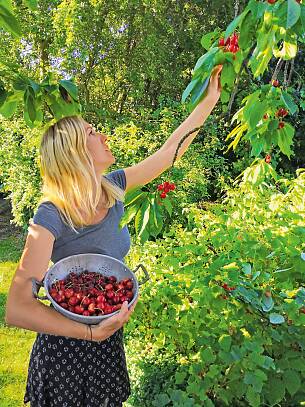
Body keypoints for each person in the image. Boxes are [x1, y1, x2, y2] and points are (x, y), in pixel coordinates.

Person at [5, 65, 222, 407]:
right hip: (66, 351)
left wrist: (210, 100)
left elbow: (170, 153)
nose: (103, 135)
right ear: (75, 152)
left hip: (107, 341)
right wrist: (90, 332)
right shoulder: (52, 212)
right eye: (93, 132)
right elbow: (17, 308)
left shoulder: (114, 185)